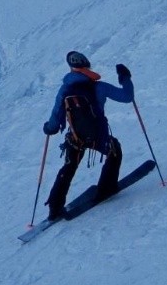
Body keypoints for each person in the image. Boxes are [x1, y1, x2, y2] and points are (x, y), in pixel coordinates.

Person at [43, 50, 134, 220]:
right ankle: (106, 188)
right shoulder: (99, 87)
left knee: (69, 167)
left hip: (75, 138)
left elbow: (55, 122)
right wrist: (125, 77)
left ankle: (54, 207)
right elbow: (127, 97)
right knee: (115, 151)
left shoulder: (65, 90)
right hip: (99, 137)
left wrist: (48, 128)